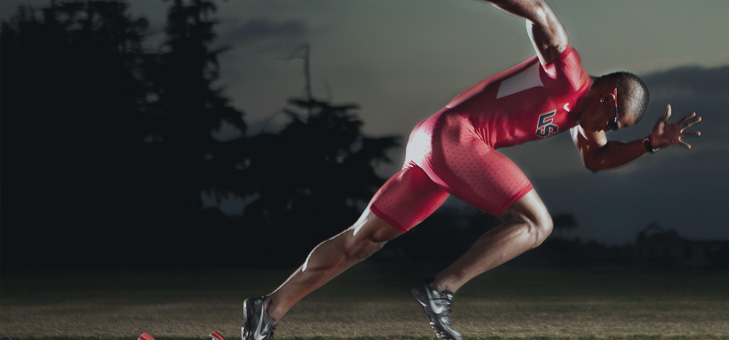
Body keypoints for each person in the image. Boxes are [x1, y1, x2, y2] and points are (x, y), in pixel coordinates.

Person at [241, 1, 702, 340]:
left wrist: (647, 145)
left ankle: (268, 310)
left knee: (362, 241)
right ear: (609, 98)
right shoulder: (570, 75)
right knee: (537, 223)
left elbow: (597, 160)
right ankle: (440, 289)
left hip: (431, 143)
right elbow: (540, 14)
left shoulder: (579, 117)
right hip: (456, 138)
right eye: (612, 122)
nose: (605, 130)